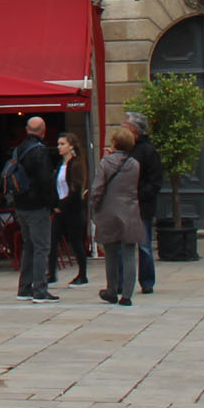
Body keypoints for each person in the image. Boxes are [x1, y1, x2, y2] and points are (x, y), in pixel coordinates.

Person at [1, 117, 59, 304]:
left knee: (29, 245)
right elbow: (45, 180)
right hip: (36, 205)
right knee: (42, 247)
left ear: (27, 130)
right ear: (43, 131)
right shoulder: (40, 151)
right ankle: (40, 289)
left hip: (20, 204)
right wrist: (52, 203)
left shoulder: (19, 149)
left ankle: (24, 287)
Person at [92, 125, 146, 306]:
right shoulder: (135, 164)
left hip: (109, 211)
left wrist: (93, 206)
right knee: (129, 253)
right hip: (130, 211)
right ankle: (128, 295)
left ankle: (112, 290)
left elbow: (98, 188)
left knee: (110, 252)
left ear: (114, 143)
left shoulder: (106, 162)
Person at [125, 111, 166, 296]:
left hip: (142, 206)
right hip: (126, 204)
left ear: (134, 129)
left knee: (144, 244)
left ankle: (147, 281)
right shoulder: (125, 148)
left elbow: (155, 180)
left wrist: (139, 195)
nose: (123, 127)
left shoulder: (147, 150)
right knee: (124, 245)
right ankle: (123, 281)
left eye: (125, 125)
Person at [54, 132, 91, 288]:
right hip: (61, 208)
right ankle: (50, 273)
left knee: (75, 242)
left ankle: (83, 275)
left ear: (71, 146)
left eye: (62, 144)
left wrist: (62, 206)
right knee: (53, 239)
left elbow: (75, 190)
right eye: (58, 144)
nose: (59, 147)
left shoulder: (75, 164)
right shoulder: (61, 165)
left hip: (72, 210)